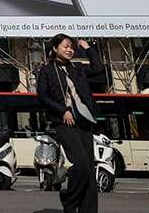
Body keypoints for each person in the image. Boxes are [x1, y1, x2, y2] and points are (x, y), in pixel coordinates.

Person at [37, 34, 104, 213]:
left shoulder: (78, 68)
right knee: (81, 164)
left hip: (84, 120)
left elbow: (98, 68)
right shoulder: (47, 70)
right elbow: (42, 96)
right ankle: (69, 199)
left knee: (90, 169)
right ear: (54, 48)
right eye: (65, 46)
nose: (69, 50)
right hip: (64, 122)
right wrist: (63, 110)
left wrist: (88, 48)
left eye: (72, 47)